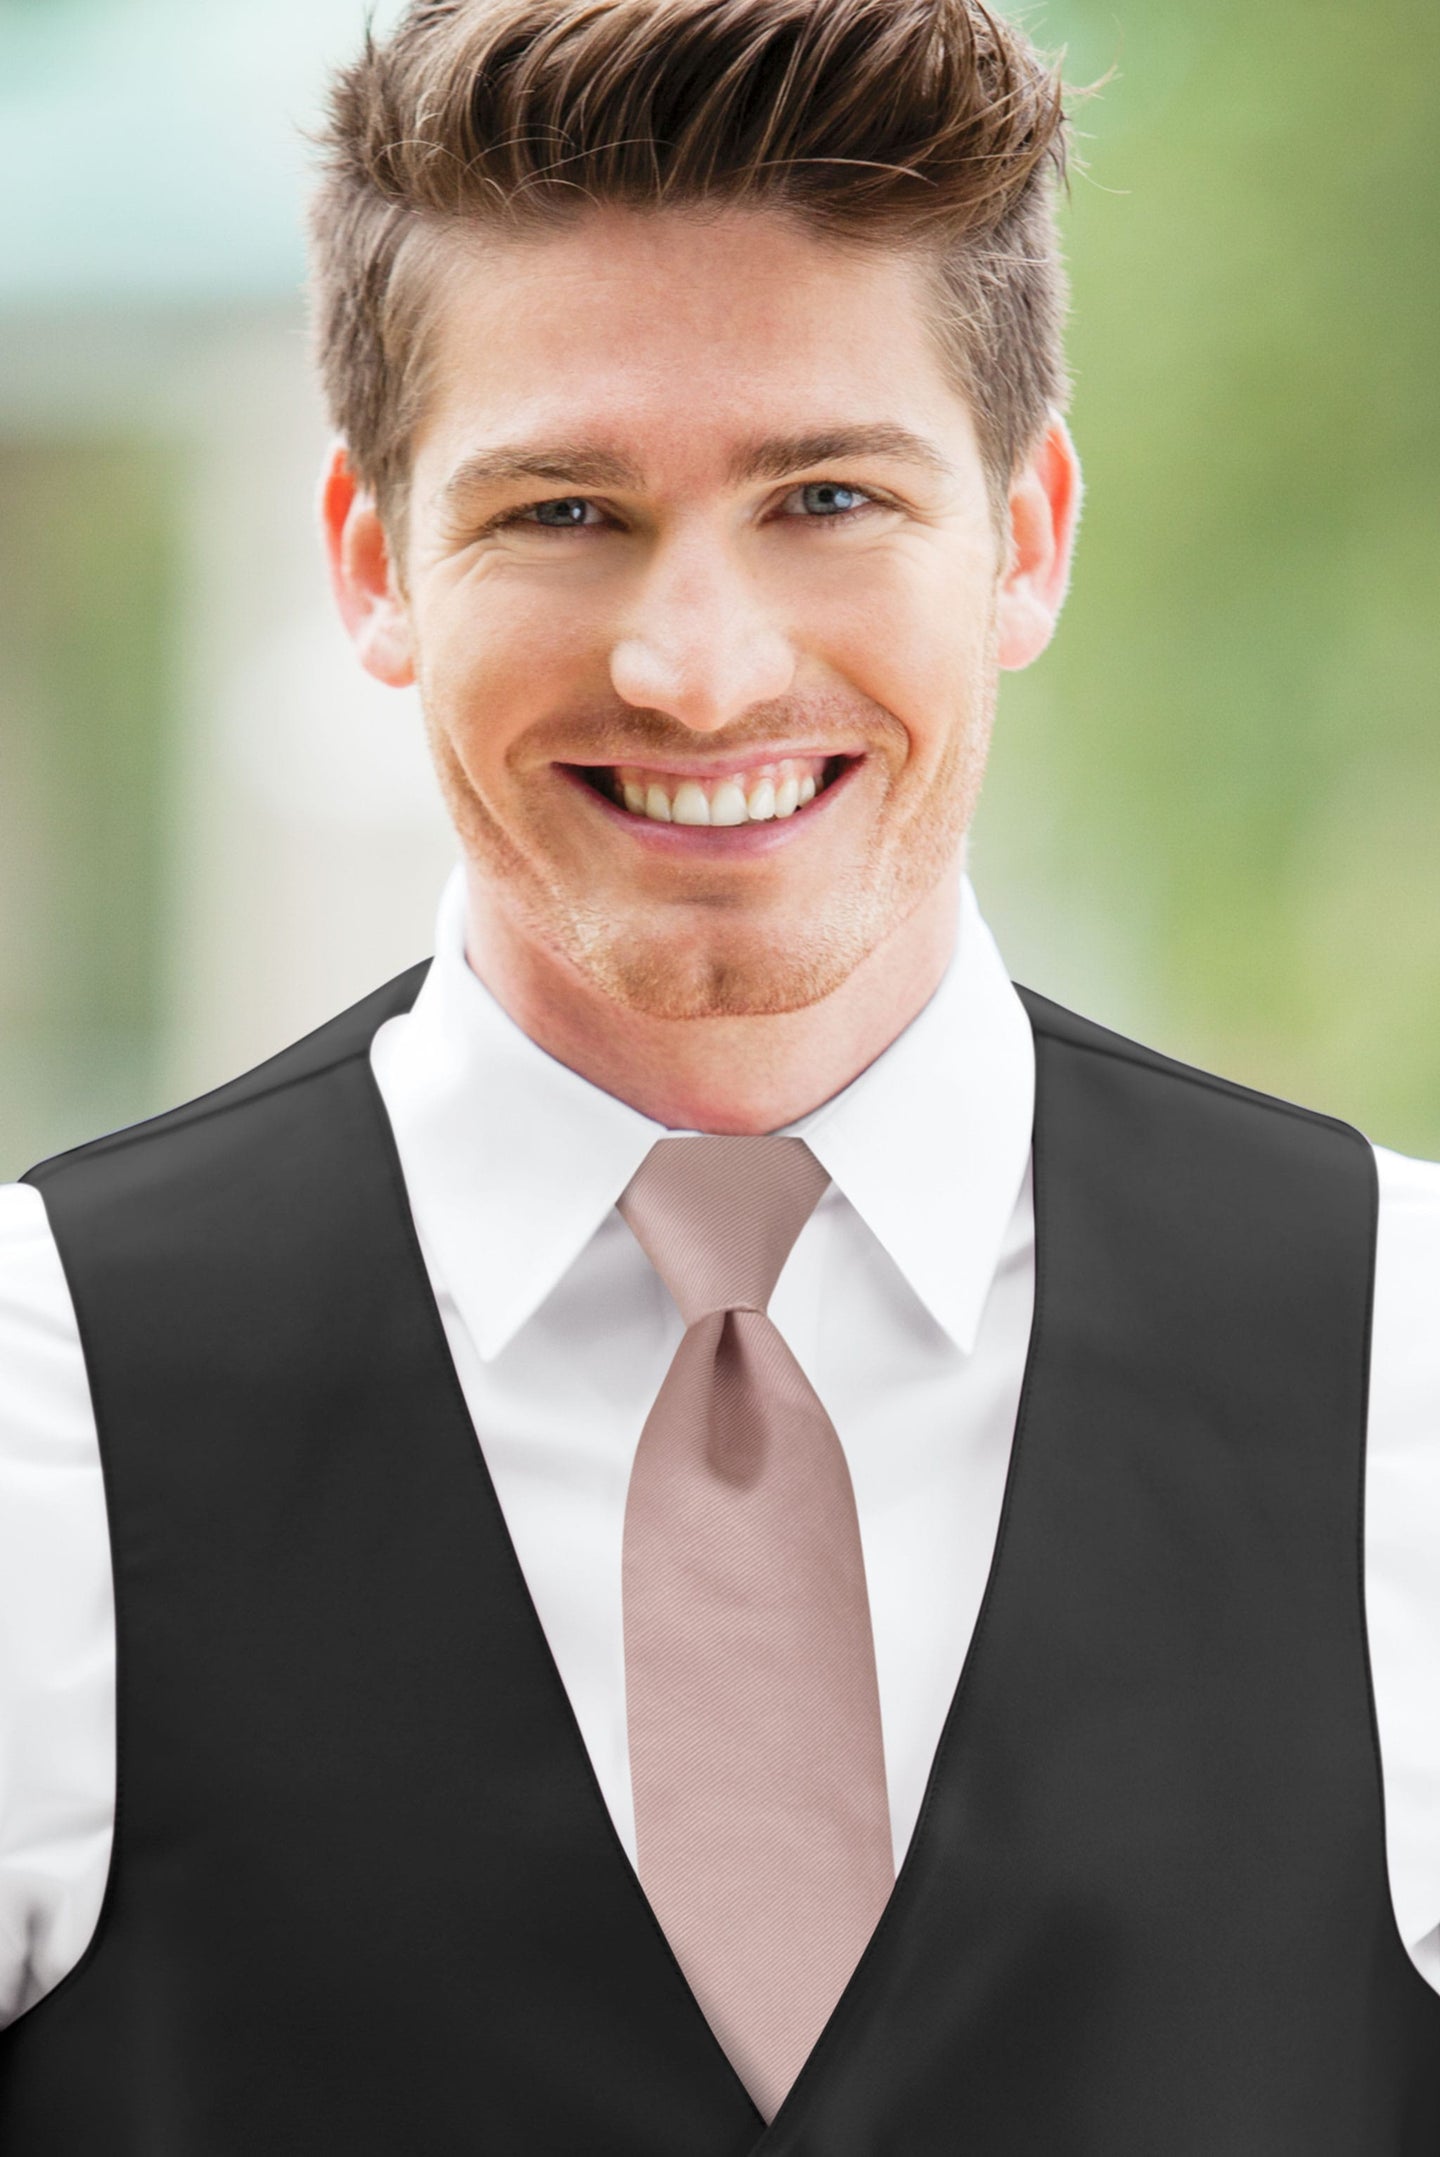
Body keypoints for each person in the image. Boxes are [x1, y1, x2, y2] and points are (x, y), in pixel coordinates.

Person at [0, 0, 1437, 2145]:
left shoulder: (1416, 1356)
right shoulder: (30, 1403)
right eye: (564, 509)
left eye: (829, 494)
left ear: (1027, 535)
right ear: (373, 559)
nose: (699, 667)